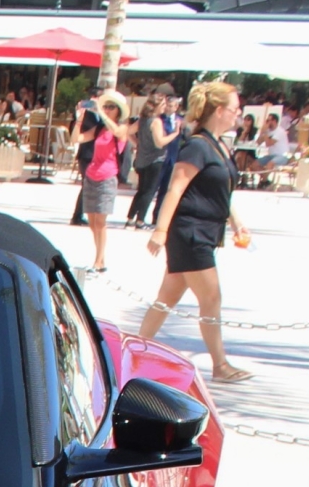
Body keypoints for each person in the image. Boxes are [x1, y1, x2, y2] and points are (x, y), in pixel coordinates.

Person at [141, 80, 252, 385]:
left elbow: (219, 190)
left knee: (166, 298)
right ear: (219, 110)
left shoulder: (217, 144)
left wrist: (235, 220)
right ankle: (220, 364)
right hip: (190, 231)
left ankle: (136, 348)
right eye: (234, 109)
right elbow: (176, 188)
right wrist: (160, 231)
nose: (238, 114)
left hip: (205, 229)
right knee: (211, 297)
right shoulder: (198, 145)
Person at [77, 92, 128, 270]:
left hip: (108, 176)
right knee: (92, 221)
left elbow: (116, 131)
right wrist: (78, 119)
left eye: (111, 107)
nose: (107, 109)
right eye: (106, 106)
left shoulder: (121, 129)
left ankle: (98, 261)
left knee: (100, 222)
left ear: (118, 111)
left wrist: (100, 111)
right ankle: (101, 257)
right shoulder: (98, 129)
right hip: (92, 174)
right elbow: (78, 138)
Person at [126, 90, 176, 227]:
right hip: (155, 159)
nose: (165, 106)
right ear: (157, 106)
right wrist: (174, 134)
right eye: (163, 104)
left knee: (141, 190)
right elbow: (159, 142)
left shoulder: (142, 120)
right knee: (149, 191)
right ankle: (140, 220)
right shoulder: (156, 121)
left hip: (142, 158)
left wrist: (137, 143)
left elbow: (127, 132)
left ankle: (131, 217)